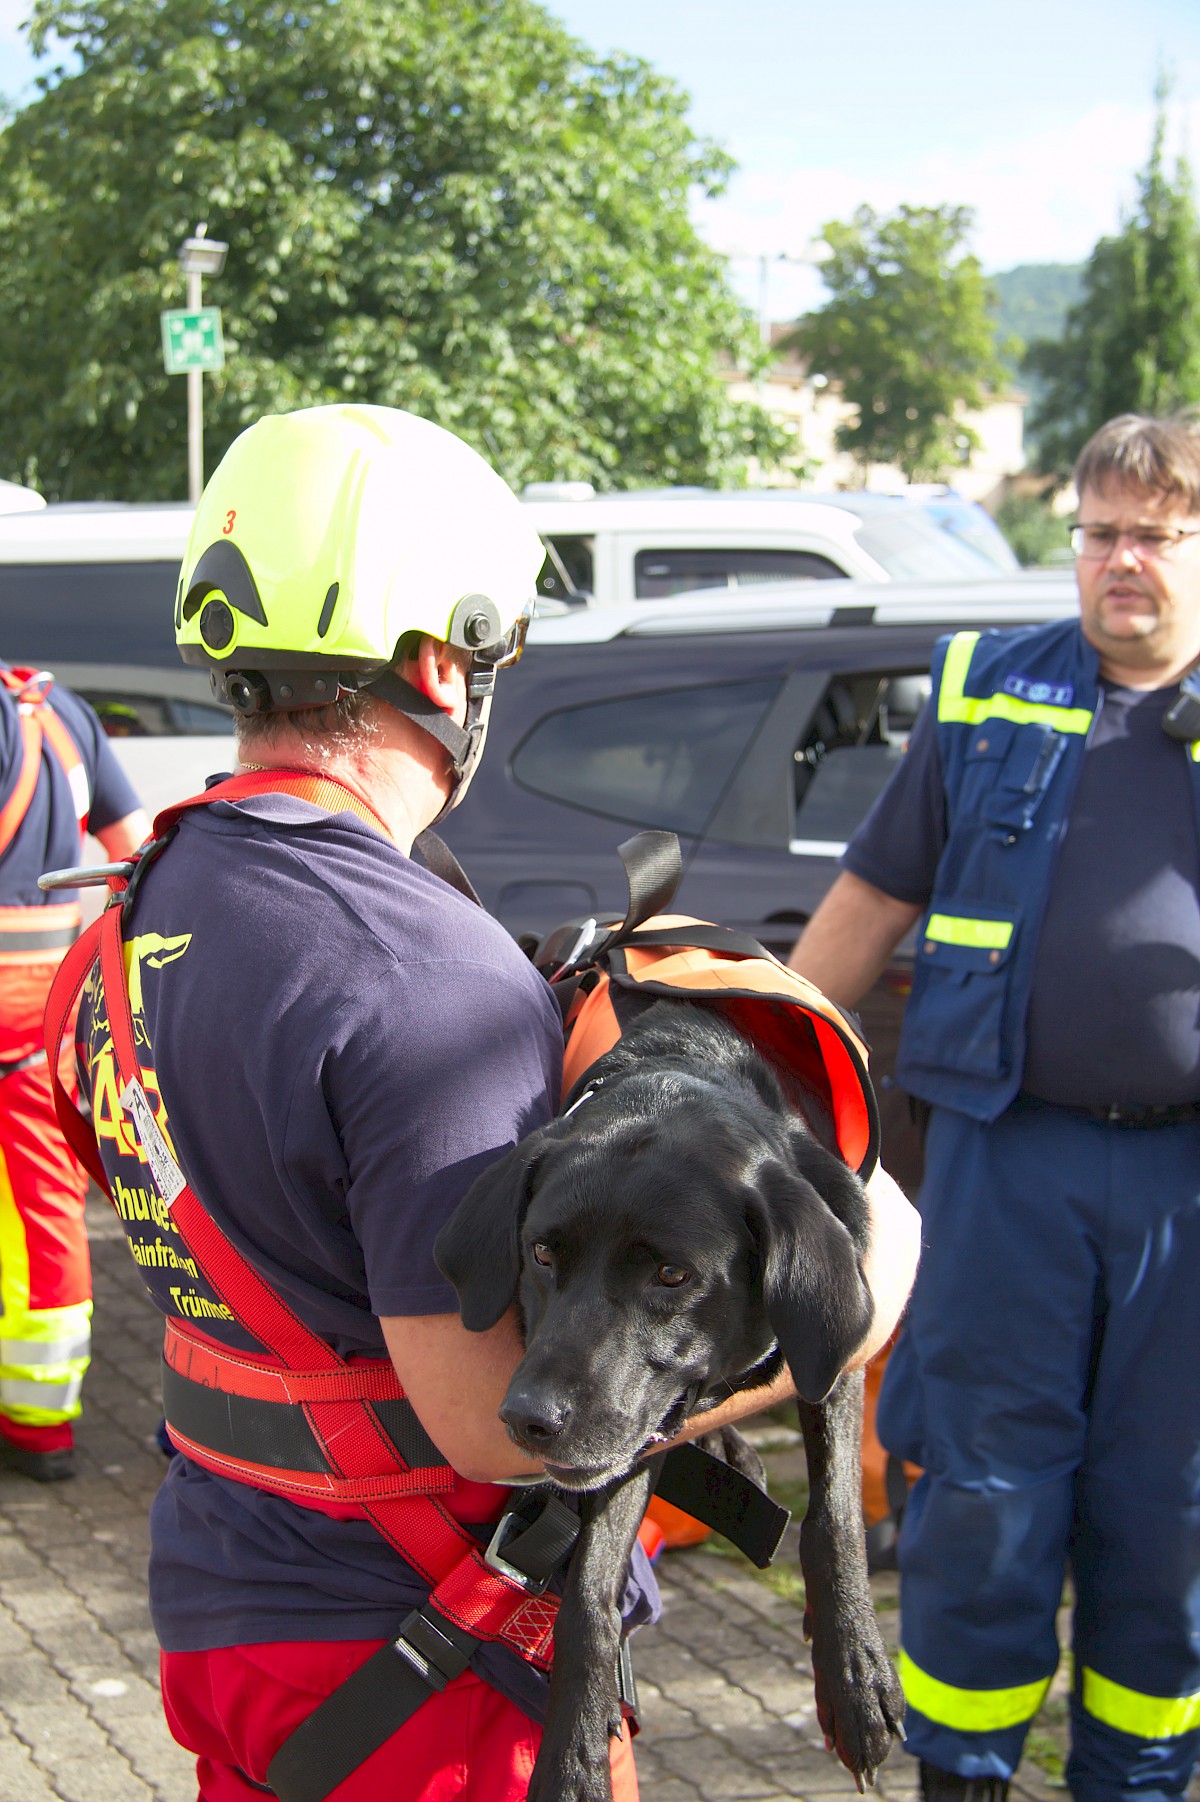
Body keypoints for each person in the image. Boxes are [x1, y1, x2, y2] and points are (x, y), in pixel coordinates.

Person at [49, 403, 918, 1802]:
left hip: (227, 1610)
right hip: (422, 1661)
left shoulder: (143, 906)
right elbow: (496, 1419)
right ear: (444, 662)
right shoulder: (428, 978)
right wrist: (868, 1279)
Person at [788, 412, 1200, 1802]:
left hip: (1187, 1193)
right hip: (1004, 1170)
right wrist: (757, 1079)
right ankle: (961, 1772)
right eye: (1099, 532)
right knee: (980, 1491)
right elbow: (868, 902)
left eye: (1156, 532)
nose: (1122, 559)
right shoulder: (987, 692)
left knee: (1174, 1505)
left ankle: (1138, 1777)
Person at [0, 662, 147, 1480]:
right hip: (43, 1009)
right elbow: (132, 853)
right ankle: (40, 1422)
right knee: (42, 1207)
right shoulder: (58, 709)